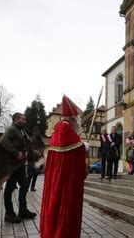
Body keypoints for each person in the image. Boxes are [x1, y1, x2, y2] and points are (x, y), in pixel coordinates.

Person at [40, 95, 88, 238]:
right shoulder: (65, 128)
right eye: (77, 118)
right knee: (63, 205)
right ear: (72, 118)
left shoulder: (59, 128)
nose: (79, 121)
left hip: (61, 175)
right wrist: (84, 146)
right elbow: (72, 148)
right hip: (65, 179)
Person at [0, 113, 36, 223]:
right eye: (23, 119)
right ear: (16, 119)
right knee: (10, 188)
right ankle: (9, 214)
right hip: (12, 164)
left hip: (19, 165)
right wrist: (16, 153)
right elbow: (3, 141)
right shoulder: (12, 129)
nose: (25, 121)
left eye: (25, 119)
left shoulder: (21, 130)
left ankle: (23, 210)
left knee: (24, 185)